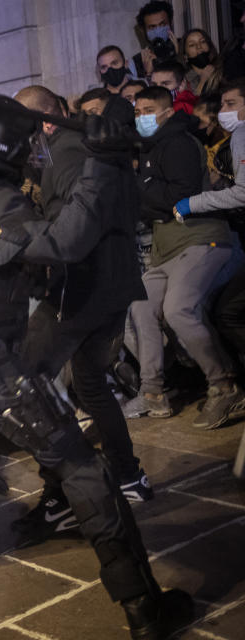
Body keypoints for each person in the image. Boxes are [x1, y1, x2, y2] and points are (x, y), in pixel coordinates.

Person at [0, 92, 193, 639]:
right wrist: (102, 161)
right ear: (10, 147)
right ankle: (143, 608)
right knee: (82, 469)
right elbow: (63, 243)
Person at [11, 86, 151, 549]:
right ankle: (128, 476)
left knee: (29, 382)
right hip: (110, 286)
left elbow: (76, 228)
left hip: (81, 290)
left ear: (46, 122)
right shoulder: (84, 150)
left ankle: (64, 495)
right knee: (90, 383)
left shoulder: (68, 153)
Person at [127, 85, 245, 428]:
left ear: (166, 111)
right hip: (168, 245)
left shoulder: (176, 143)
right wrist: (147, 193)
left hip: (200, 239)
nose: (141, 117)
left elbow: (176, 195)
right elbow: (152, 199)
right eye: (137, 111)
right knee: (140, 305)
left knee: (179, 308)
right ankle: (152, 392)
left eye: (147, 110)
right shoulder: (153, 146)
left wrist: (142, 190)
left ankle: (224, 385)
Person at [175, 80, 245, 367]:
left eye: (231, 104)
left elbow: (243, 192)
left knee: (228, 311)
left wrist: (192, 203)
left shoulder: (242, 133)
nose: (223, 112)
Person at [133, 1, 180, 79]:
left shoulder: (186, 46)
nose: (158, 30)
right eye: (152, 27)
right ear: (143, 30)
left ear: (170, 23)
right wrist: (148, 73)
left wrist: (178, 57)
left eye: (162, 24)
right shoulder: (137, 62)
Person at [183, 29, 220, 96]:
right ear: (185, 56)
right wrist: (203, 81)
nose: (199, 47)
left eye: (202, 42)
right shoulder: (184, 79)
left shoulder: (221, 69)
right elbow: (192, 103)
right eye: (192, 45)